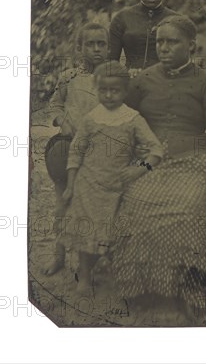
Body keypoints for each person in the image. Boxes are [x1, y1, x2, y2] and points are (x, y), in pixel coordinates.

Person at [111, 15, 206, 323]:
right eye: (160, 42)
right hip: (150, 162)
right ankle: (144, 286)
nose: (164, 48)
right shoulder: (141, 81)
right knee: (135, 200)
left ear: (191, 46)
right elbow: (121, 124)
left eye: (172, 41)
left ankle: (194, 286)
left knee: (191, 205)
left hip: (195, 163)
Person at [61, 61, 164, 295]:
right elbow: (76, 151)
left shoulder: (133, 119)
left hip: (117, 185)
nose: (108, 95)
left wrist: (139, 169)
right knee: (87, 230)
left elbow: (156, 150)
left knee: (112, 230)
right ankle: (85, 276)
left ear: (125, 91)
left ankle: (114, 267)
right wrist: (70, 184)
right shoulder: (90, 119)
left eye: (115, 90)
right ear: (96, 89)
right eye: (103, 90)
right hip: (88, 184)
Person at [44, 22, 109, 276]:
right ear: (79, 48)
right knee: (63, 204)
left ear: (108, 47)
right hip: (69, 149)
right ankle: (58, 256)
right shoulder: (69, 77)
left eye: (101, 44)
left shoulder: (114, 77)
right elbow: (54, 105)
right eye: (90, 44)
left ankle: (98, 258)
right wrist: (62, 121)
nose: (96, 49)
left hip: (102, 152)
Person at [109, 0, 179, 74]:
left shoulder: (177, 21)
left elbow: (184, 64)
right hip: (131, 85)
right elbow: (111, 64)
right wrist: (125, 74)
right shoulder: (122, 18)